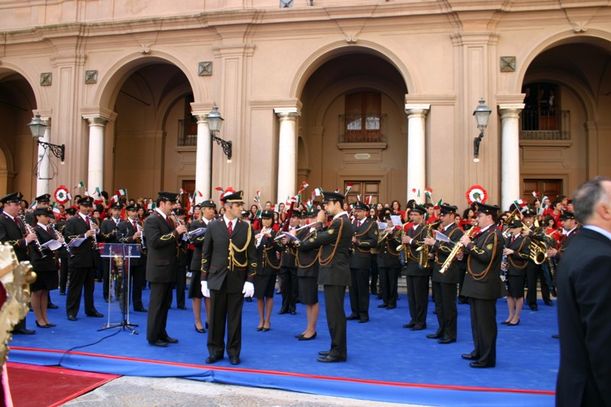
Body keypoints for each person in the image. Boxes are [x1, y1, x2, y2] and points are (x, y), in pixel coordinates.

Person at [556, 177, 611, 406]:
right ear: (605, 210)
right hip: (594, 394)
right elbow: (604, 346)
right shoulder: (601, 259)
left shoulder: (579, 247)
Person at [201, 189, 257, 365]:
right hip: (217, 278)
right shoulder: (213, 226)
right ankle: (215, 351)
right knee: (215, 318)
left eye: (241, 205)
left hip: (237, 279)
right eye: (238, 205)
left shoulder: (246, 227)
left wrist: (250, 280)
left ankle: (233, 351)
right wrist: (203, 279)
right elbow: (206, 254)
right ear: (227, 206)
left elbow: (252, 256)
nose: (241, 208)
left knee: (234, 319)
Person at [297, 191, 351, 363]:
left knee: (335, 314)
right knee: (334, 314)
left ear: (336, 203)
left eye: (327, 205)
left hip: (335, 272)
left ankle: (338, 351)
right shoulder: (339, 222)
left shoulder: (340, 222)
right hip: (333, 271)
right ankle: (336, 347)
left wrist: (318, 223)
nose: (325, 209)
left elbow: (315, 241)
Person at [459, 203, 504, 368]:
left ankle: (487, 358)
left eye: (479, 216)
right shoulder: (483, 234)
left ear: (489, 217)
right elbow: (475, 254)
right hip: (475, 283)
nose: (476, 218)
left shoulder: (495, 235)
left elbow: (485, 256)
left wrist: (468, 244)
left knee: (486, 324)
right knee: (476, 322)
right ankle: (478, 350)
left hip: (485, 284)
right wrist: (463, 251)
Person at [144, 192, 187, 347]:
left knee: (165, 304)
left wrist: (181, 233)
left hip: (168, 267)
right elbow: (155, 241)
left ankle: (161, 332)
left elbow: (172, 241)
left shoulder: (168, 219)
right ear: (162, 203)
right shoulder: (151, 220)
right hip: (159, 269)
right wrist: (176, 232)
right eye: (171, 204)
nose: (174, 206)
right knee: (157, 304)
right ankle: (152, 336)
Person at [424, 204, 463, 344]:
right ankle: (441, 328)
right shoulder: (443, 231)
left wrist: (435, 243)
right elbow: (442, 249)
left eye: (444, 215)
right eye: (440, 215)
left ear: (452, 216)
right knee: (439, 304)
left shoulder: (457, 231)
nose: (441, 218)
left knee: (449, 305)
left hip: (449, 272)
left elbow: (453, 249)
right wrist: (431, 253)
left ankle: (451, 333)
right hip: (438, 270)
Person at [62, 196, 104, 321]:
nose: (87, 208)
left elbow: (99, 238)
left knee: (90, 287)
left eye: (89, 206)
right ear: (79, 206)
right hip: (78, 258)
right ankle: (71, 311)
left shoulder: (92, 220)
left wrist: (98, 230)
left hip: (91, 258)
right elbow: (68, 239)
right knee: (75, 287)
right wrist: (85, 235)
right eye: (85, 206)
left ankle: (90, 309)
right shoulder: (72, 221)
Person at [0, 192, 37, 334]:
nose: (19, 207)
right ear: (7, 205)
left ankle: (20, 325)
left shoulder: (18, 220)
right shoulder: (2, 220)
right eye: (16, 204)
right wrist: (24, 241)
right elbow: (2, 242)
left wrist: (29, 239)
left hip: (21, 260)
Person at [30, 207, 61, 328]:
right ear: (38, 217)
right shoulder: (34, 229)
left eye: (49, 216)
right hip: (39, 263)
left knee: (45, 291)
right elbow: (35, 247)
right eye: (45, 216)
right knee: (37, 291)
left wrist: (59, 241)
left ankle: (45, 318)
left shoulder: (51, 229)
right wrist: (52, 243)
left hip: (50, 263)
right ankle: (39, 318)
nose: (48, 218)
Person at [188, 199, 216, 333]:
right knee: (197, 294)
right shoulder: (196, 224)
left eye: (213, 208)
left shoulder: (217, 224)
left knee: (210, 293)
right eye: (209, 208)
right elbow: (194, 241)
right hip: (199, 262)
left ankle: (210, 320)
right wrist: (210, 236)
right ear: (203, 210)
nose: (212, 211)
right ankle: (197, 321)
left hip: (213, 263)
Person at [400, 205, 430, 330]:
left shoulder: (426, 229)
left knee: (420, 296)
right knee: (411, 296)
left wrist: (410, 241)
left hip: (420, 265)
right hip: (410, 265)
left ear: (422, 217)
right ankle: (414, 318)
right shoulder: (409, 229)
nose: (412, 217)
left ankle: (421, 321)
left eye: (415, 215)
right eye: (411, 215)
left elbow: (426, 245)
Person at [348, 201, 377, 323]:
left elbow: (374, 241)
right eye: (355, 211)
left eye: (359, 211)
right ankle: (355, 312)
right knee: (352, 288)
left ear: (365, 212)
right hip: (351, 259)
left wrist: (358, 242)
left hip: (363, 259)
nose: (356, 213)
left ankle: (363, 313)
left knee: (362, 288)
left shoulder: (371, 224)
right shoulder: (352, 222)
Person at [294, 209, 321, 341]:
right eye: (310, 217)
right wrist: (289, 238)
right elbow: (296, 244)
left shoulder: (319, 232)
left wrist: (295, 240)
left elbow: (305, 245)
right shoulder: (304, 231)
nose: (311, 219)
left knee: (312, 299)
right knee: (306, 300)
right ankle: (308, 327)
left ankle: (312, 329)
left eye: (314, 217)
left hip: (312, 267)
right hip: (302, 266)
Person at [254, 210, 280, 331]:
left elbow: (280, 247)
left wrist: (271, 238)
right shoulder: (257, 232)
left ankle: (268, 320)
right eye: (264, 219)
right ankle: (261, 319)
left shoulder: (276, 233)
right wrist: (256, 239)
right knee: (259, 295)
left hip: (270, 267)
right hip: (259, 268)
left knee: (269, 295)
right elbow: (253, 249)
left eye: (268, 218)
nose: (266, 221)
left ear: (272, 220)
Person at [117, 204, 147, 312]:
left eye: (136, 211)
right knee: (126, 283)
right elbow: (119, 239)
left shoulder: (140, 223)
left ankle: (138, 305)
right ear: (128, 212)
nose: (135, 213)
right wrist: (132, 237)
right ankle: (124, 306)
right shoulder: (122, 224)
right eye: (133, 211)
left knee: (138, 283)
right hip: (128, 257)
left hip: (140, 256)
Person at [502, 219, 529, 326]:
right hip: (509, 269)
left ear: (519, 228)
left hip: (518, 269)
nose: (511, 230)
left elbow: (527, 256)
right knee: (509, 294)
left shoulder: (525, 240)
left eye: (513, 228)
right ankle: (510, 315)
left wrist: (513, 252)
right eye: (510, 228)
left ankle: (517, 317)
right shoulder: (509, 239)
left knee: (517, 295)